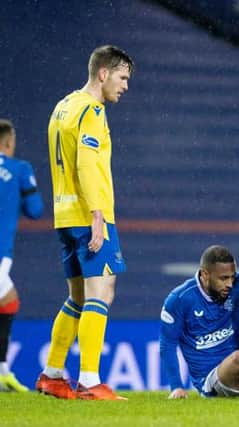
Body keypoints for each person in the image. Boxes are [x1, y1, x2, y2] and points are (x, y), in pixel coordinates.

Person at [35, 45, 133, 400]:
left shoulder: (64, 105)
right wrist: (96, 216)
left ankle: (52, 374)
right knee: (101, 292)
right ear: (104, 73)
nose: (125, 86)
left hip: (64, 214)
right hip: (89, 215)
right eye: (122, 78)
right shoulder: (92, 109)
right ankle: (90, 380)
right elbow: (86, 165)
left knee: (77, 296)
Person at [160, 245, 239, 398]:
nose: (230, 284)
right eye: (223, 278)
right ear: (205, 274)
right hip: (213, 379)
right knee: (238, 359)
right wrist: (176, 387)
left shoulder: (235, 286)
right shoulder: (179, 300)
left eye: (232, 277)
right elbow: (167, 345)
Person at [0, 120, 43, 391]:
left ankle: (3, 371)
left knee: (9, 301)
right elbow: (36, 210)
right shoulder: (19, 169)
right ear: (7, 143)